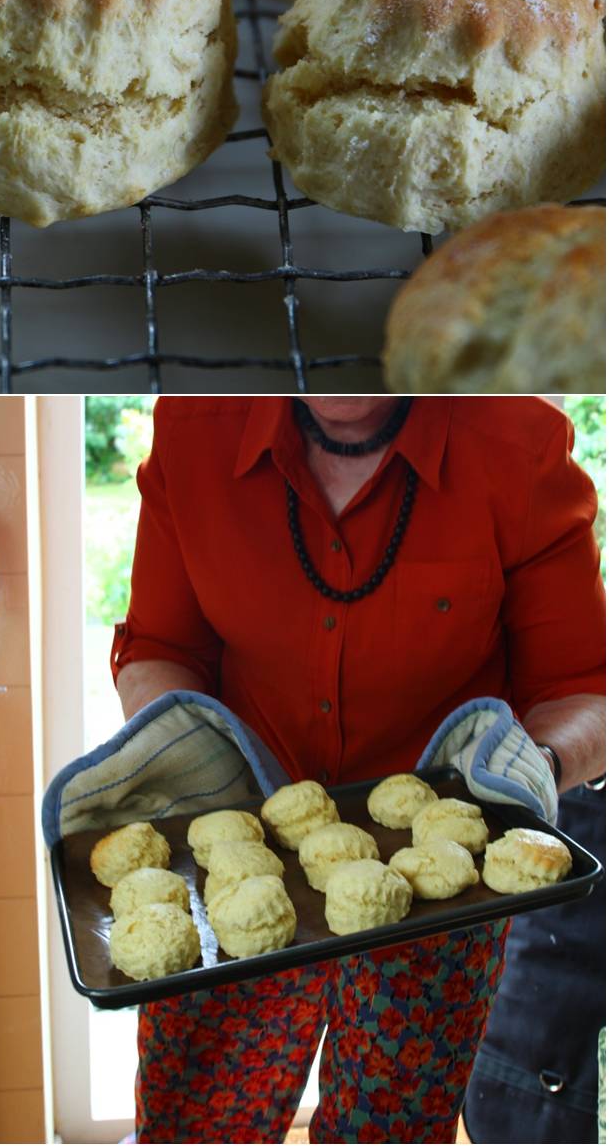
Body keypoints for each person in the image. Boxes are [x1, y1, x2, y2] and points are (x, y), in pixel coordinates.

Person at [111, 396, 605, 1145]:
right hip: (237, 873)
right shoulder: (196, 428)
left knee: (390, 1132)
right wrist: (179, 750)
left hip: (438, 895)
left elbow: (583, 688)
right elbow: (159, 643)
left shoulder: (517, 443)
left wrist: (527, 767)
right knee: (197, 1125)